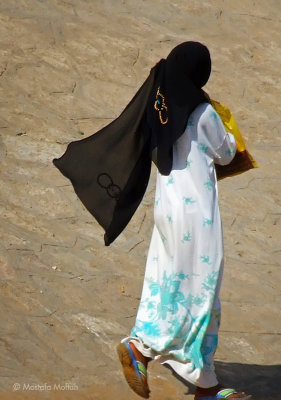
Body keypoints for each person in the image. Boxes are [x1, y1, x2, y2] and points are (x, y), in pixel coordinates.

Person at [53, 41, 250, 400]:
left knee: (168, 282)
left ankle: (206, 384)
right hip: (196, 217)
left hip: (168, 208)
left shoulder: (159, 100)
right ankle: (142, 349)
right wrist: (226, 121)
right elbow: (226, 153)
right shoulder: (203, 113)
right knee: (199, 290)